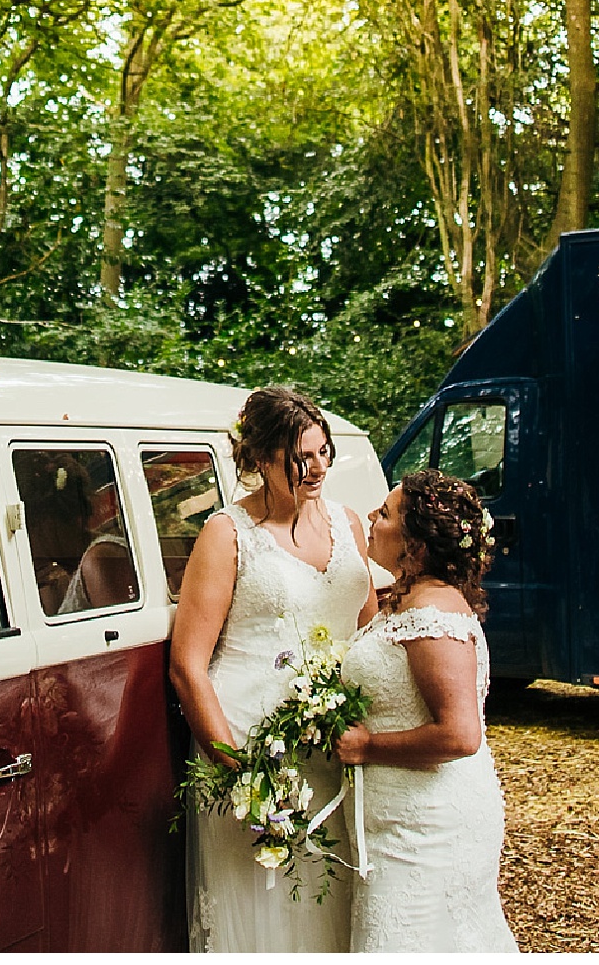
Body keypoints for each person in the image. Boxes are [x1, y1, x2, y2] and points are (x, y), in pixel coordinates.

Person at [168, 386, 375, 952]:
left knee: (335, 892)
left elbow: (368, 635)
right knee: (266, 902)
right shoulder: (226, 534)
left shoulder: (350, 523)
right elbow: (188, 665)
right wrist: (241, 775)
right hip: (252, 743)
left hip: (336, 744)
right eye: (299, 459)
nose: (316, 469)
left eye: (323, 452)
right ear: (260, 460)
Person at [334, 470, 520, 953]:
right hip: (401, 824)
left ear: (415, 545)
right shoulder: (404, 600)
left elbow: (460, 735)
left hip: (428, 831)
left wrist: (367, 746)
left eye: (387, 513)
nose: (373, 517)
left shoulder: (432, 616)